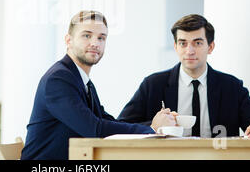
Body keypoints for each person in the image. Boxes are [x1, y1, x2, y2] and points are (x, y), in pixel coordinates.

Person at [21, 10, 176, 160]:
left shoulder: (81, 80)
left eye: (101, 38)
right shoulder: (58, 79)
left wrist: (158, 123)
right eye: (87, 35)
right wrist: (151, 129)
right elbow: (94, 129)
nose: (95, 43)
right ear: (68, 40)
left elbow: (107, 121)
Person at [118, 14, 250, 138]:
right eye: (183, 43)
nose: (189, 50)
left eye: (197, 43)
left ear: (210, 47)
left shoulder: (231, 87)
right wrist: (153, 126)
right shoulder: (153, 84)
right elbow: (121, 127)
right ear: (176, 47)